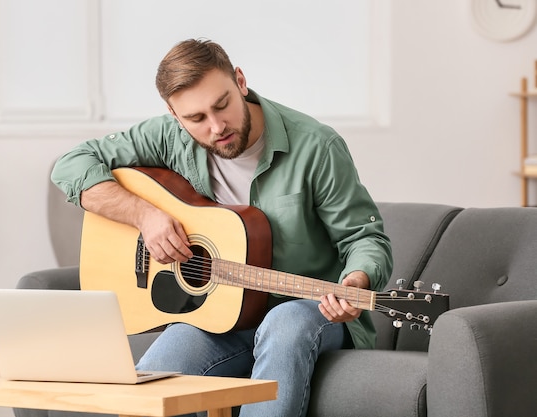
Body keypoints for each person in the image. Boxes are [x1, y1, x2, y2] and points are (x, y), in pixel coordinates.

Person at [51, 38, 393, 417]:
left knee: (285, 321)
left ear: (240, 82)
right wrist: (144, 216)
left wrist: (357, 280)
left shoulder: (317, 146)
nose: (216, 126)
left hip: (308, 310)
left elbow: (364, 237)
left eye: (222, 105)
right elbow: (72, 165)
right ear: (174, 115)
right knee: (149, 394)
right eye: (196, 118)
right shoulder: (169, 137)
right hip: (218, 315)